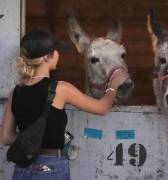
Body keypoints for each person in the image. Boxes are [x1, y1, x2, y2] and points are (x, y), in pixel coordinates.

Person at [0, 28, 129, 180]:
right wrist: (113, 85)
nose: (58, 54)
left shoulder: (16, 92)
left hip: (22, 168)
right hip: (50, 168)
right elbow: (102, 108)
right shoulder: (61, 89)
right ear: (48, 57)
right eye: (56, 51)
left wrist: (33, 139)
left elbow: (6, 137)